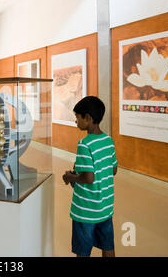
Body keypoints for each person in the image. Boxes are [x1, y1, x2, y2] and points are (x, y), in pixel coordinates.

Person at [62, 96, 118, 257]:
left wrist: (70, 177)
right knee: (108, 247)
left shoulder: (84, 144)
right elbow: (113, 170)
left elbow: (88, 178)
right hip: (105, 207)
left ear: (88, 118)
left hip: (86, 210)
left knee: (83, 252)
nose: (75, 121)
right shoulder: (109, 141)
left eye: (77, 118)